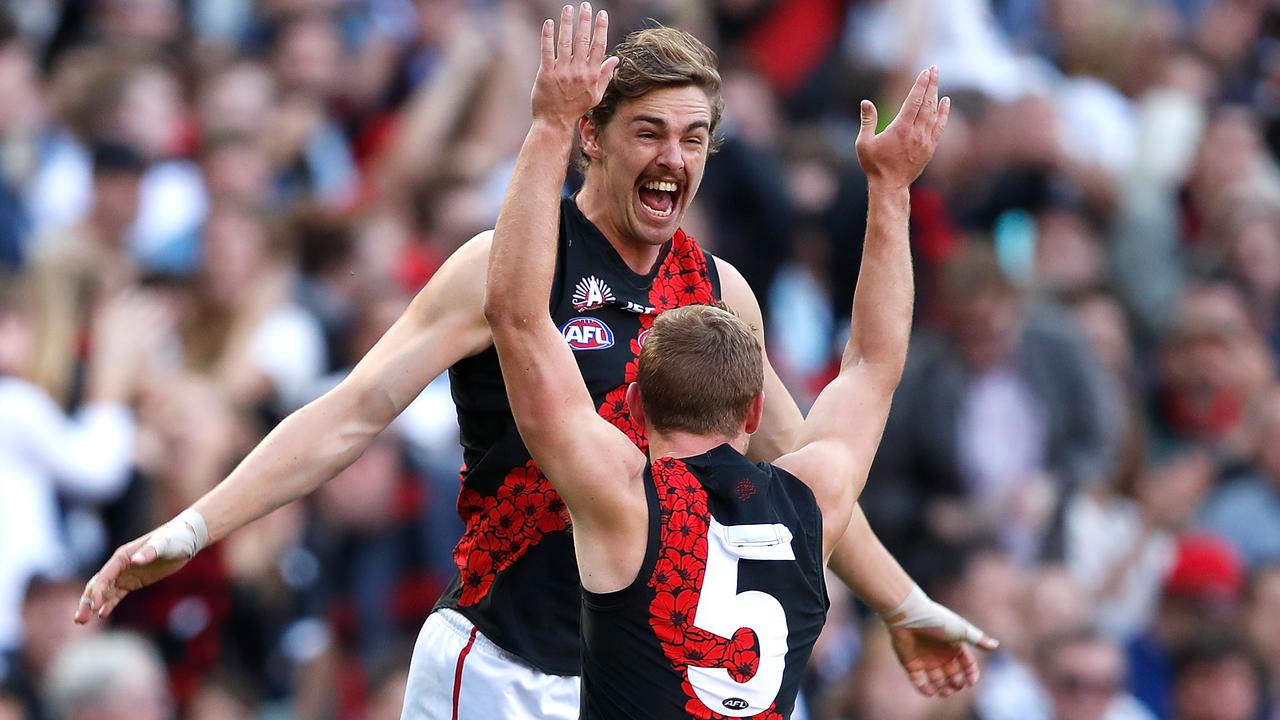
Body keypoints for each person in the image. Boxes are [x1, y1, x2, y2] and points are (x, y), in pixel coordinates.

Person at [76, 5, 995, 717]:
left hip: (634, 674)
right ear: (591, 134)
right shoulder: (507, 260)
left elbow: (800, 485)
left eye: (694, 138)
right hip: (503, 661)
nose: (673, 158)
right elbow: (352, 414)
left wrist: (904, 605)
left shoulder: (722, 293)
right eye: (649, 132)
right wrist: (193, 528)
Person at [481, 7, 956, 717]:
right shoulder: (813, 501)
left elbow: (519, 319)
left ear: (632, 408)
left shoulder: (621, 503)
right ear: (756, 409)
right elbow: (872, 365)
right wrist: (890, 193)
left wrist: (551, 125)